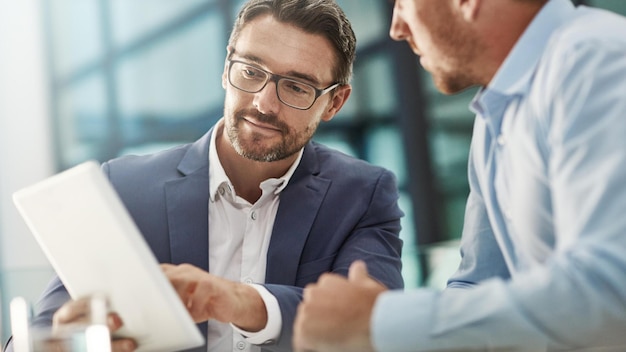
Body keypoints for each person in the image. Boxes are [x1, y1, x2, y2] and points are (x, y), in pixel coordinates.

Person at [3, 1, 405, 351]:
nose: (263, 103)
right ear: (227, 64)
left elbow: (376, 325)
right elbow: (44, 329)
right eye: (250, 71)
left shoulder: (363, 195)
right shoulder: (123, 188)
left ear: (334, 102)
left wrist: (234, 300)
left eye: (297, 87)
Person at [293, 0, 626, 351]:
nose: (397, 28)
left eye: (404, 3)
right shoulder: (494, 115)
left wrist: (384, 322)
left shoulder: (596, 59)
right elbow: (476, 287)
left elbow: (612, 288)